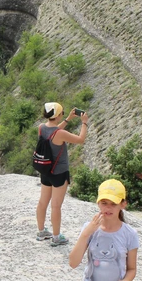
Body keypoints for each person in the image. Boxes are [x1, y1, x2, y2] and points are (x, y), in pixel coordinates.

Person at [35, 102, 89, 247]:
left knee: (42, 202)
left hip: (46, 170)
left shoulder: (41, 128)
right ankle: (56, 237)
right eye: (62, 113)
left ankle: (41, 232)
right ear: (57, 115)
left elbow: (53, 133)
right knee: (56, 206)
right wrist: (84, 123)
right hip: (59, 172)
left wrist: (68, 119)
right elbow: (81, 140)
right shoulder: (60, 134)